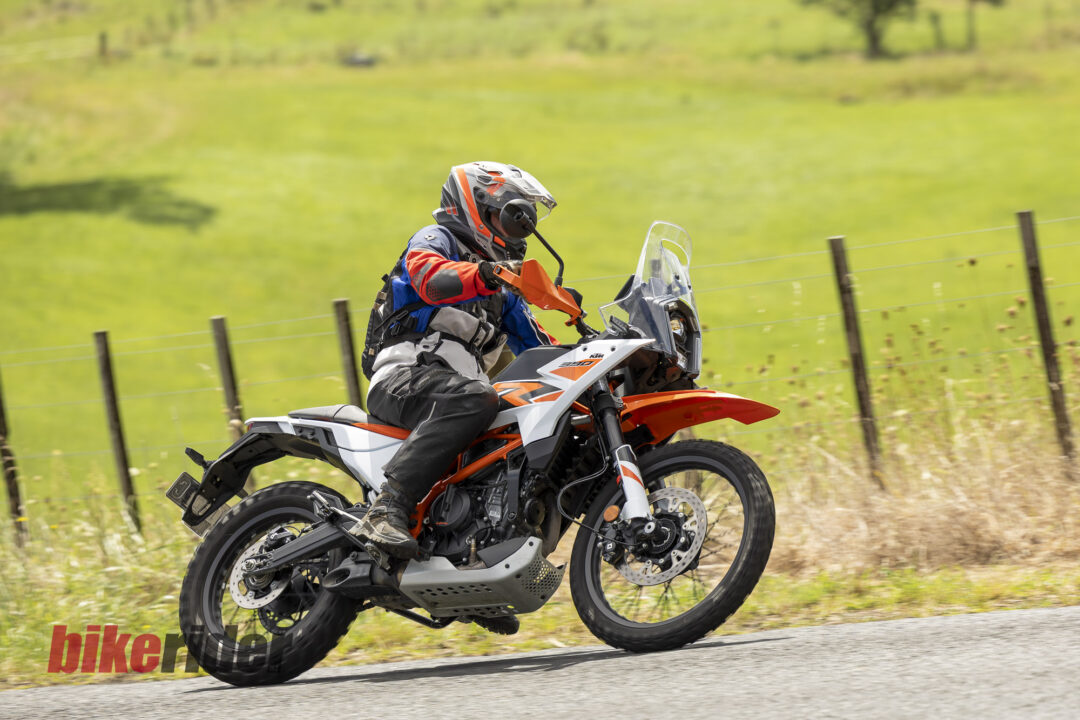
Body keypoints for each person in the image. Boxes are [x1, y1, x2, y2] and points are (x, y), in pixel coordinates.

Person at [354, 161, 558, 560]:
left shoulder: (504, 293)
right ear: (478, 207)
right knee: (477, 398)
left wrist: (599, 352)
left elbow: (541, 351)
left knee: (509, 441)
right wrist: (487, 272)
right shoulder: (438, 239)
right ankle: (386, 508)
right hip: (405, 379)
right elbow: (429, 277)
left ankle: (474, 560)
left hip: (459, 399)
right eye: (511, 217)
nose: (520, 230)